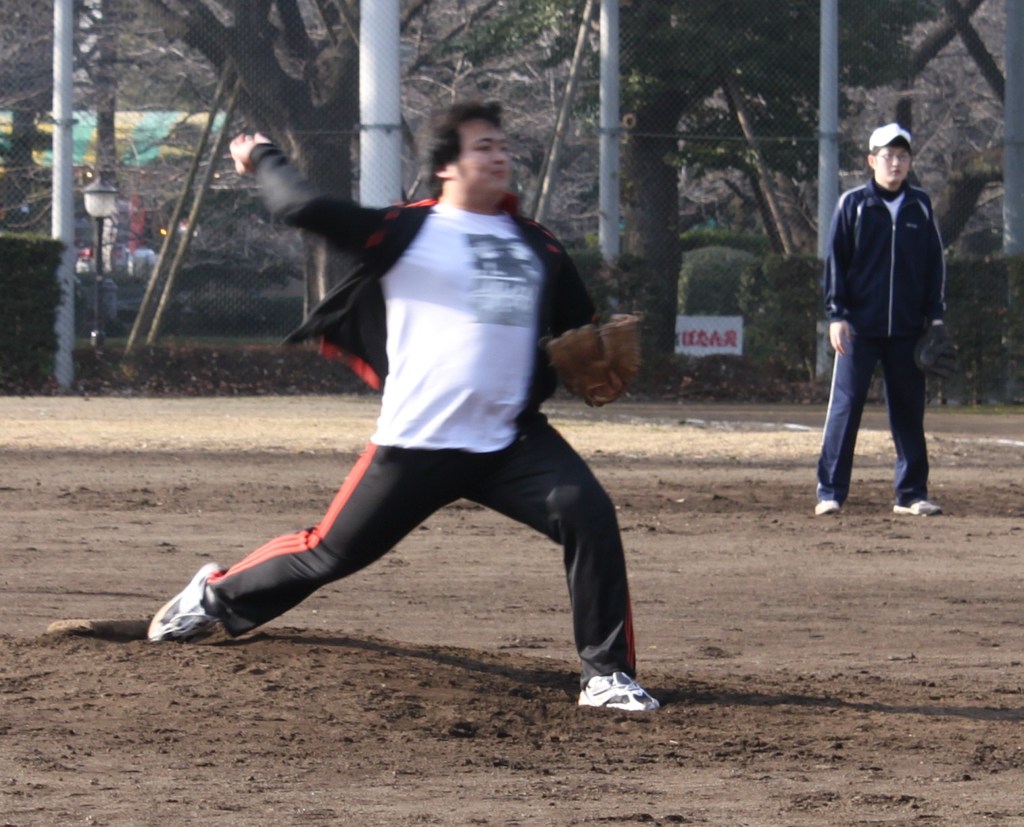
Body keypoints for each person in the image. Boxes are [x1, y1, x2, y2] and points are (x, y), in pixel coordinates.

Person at [147, 101, 659, 712]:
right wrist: (261, 156)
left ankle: (605, 675)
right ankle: (213, 596)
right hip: (417, 442)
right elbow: (301, 207)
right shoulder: (407, 229)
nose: (498, 155)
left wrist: (590, 354)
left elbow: (577, 325)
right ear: (446, 165)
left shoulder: (538, 246)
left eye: (501, 144)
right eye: (482, 146)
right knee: (326, 554)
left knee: (590, 515)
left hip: (511, 441)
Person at [815, 122, 947, 518]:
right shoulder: (854, 204)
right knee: (846, 407)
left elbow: (934, 266)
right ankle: (831, 491)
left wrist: (936, 320)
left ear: (909, 163)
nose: (895, 162)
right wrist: (837, 315)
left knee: (908, 411)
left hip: (907, 329)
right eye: (888, 156)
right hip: (858, 327)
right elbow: (836, 261)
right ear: (872, 161)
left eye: (902, 156)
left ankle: (910, 494)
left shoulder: (920, 206)